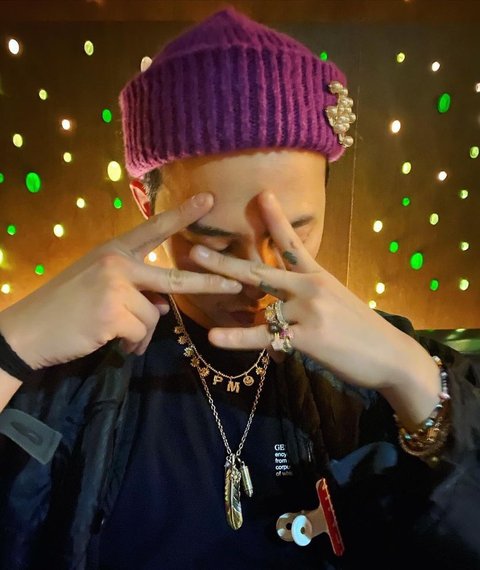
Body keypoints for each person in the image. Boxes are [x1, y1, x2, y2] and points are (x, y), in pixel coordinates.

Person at [0, 7, 479, 570]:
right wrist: (9, 347)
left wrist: (414, 378)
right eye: (217, 244)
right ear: (145, 200)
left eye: (294, 232)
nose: (257, 277)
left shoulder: (380, 359)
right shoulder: (76, 378)